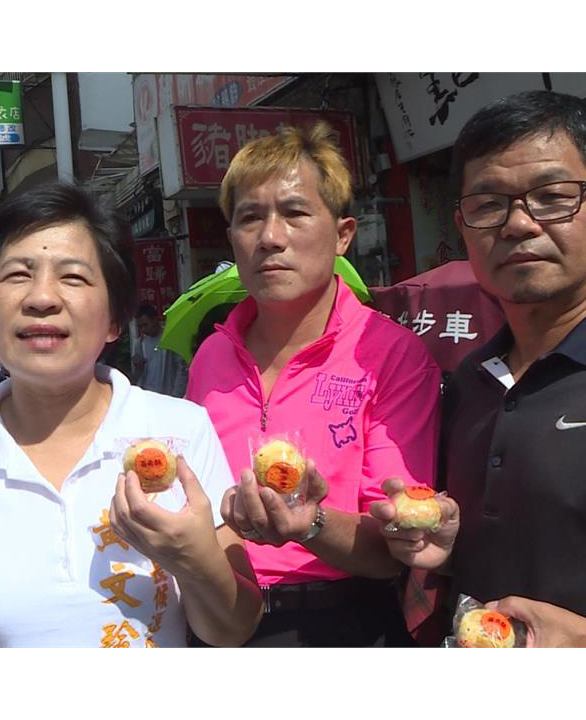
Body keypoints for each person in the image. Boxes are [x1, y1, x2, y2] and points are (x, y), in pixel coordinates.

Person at [0, 183, 264, 647]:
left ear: (112, 319)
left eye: (73, 277)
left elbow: (234, 630)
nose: (41, 298)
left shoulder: (179, 431)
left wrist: (194, 560)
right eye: (18, 275)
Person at [185, 123, 442, 646]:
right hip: (215, 615)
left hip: (340, 622)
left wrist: (310, 522)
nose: (270, 237)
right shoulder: (211, 354)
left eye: (295, 213)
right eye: (249, 217)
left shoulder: (391, 355)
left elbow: (394, 546)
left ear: (344, 233)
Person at [371, 91, 586, 647]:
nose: (518, 224)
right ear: (462, 226)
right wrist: (444, 548)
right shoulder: (469, 382)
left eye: (552, 197)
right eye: (489, 204)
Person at [131, 304, 187, 396]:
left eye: (145, 325)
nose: (143, 329)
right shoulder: (140, 344)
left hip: (168, 394)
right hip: (148, 396)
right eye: (140, 327)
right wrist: (138, 368)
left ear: (155, 319)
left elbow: (181, 369)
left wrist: (176, 395)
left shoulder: (170, 338)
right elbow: (137, 375)